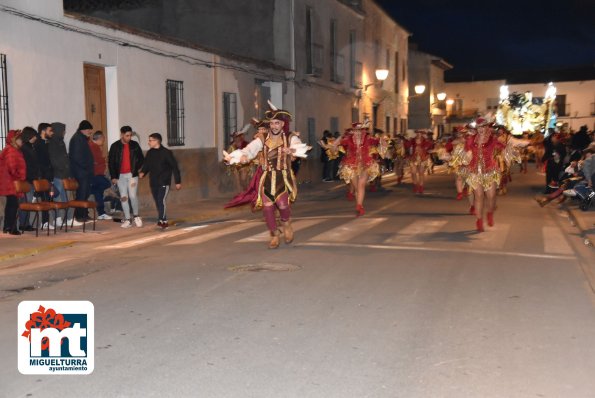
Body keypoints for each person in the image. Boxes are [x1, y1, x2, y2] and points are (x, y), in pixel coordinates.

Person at [223, 100, 310, 249]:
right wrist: (241, 156)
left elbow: (299, 147)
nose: (274, 126)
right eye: (272, 123)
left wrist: (292, 150)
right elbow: (249, 150)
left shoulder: (290, 137)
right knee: (268, 207)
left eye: (277, 123)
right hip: (267, 177)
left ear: (282, 124)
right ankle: (274, 234)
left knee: (283, 205)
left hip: (283, 177)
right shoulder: (262, 139)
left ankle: (286, 223)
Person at [333, 120, 385, 216]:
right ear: (353, 131)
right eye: (356, 130)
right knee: (357, 187)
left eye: (360, 130)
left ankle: (359, 205)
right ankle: (359, 204)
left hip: (365, 164)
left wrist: (382, 142)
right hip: (351, 165)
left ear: (363, 131)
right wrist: (341, 136)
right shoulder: (348, 139)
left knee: (361, 185)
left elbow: (380, 141)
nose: (358, 133)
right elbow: (335, 145)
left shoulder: (368, 138)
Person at [139, 133, 182, 229]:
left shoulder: (166, 152)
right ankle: (162, 219)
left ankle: (163, 220)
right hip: (153, 181)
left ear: (157, 141)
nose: (149, 142)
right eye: (149, 140)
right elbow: (146, 165)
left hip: (163, 181)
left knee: (160, 200)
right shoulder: (150, 153)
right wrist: (143, 172)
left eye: (150, 140)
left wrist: (177, 181)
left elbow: (174, 167)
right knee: (157, 201)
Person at [108, 125, 145, 228]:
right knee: (124, 198)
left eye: (130, 135)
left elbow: (141, 158)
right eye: (127, 135)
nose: (129, 138)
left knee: (133, 196)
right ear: (122, 135)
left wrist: (136, 168)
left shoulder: (135, 145)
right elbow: (111, 162)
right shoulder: (114, 146)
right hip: (120, 176)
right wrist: (113, 176)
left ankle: (136, 216)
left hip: (132, 175)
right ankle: (128, 219)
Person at [48, 122, 82, 227]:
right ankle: (58, 218)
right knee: (58, 198)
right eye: (63, 130)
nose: (64, 132)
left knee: (66, 198)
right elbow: (54, 159)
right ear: (58, 131)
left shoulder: (61, 142)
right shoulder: (52, 143)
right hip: (58, 174)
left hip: (65, 174)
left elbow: (64, 157)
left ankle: (68, 219)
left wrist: (68, 170)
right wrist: (62, 168)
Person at [0, 130, 26, 235]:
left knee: (11, 205)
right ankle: (11, 228)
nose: (22, 141)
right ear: (14, 140)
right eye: (20, 139)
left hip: (10, 181)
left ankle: (8, 227)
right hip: (10, 181)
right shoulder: (11, 151)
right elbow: (12, 167)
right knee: (13, 205)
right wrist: (19, 176)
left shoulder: (12, 150)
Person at [69, 120, 95, 222]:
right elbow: (77, 157)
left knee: (85, 194)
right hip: (81, 172)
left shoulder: (82, 138)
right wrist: (87, 166)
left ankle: (84, 214)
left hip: (85, 172)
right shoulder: (77, 139)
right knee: (81, 194)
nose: (90, 132)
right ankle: (79, 215)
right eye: (89, 130)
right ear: (83, 130)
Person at [18, 127, 41, 231]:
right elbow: (28, 166)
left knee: (28, 203)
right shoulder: (25, 149)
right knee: (25, 203)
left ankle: (26, 224)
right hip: (27, 180)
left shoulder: (30, 147)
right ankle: (23, 224)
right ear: (29, 136)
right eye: (34, 135)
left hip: (31, 179)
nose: (36, 137)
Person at [89, 131, 112, 220]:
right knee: (107, 183)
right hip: (95, 174)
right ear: (100, 138)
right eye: (103, 139)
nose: (104, 141)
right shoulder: (93, 147)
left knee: (98, 192)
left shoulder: (95, 147)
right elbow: (95, 161)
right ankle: (90, 190)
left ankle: (101, 213)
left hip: (98, 174)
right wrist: (103, 160)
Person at [405, 129, 433, 194]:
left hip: (422, 158)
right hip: (413, 158)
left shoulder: (426, 141)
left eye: (420, 133)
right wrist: (407, 140)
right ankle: (415, 185)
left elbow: (429, 147)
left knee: (421, 173)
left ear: (422, 134)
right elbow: (407, 146)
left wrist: (423, 149)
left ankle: (421, 186)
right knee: (413, 172)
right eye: (417, 133)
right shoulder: (412, 140)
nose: (418, 134)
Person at [226, 125, 252, 191]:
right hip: (235, 166)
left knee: (243, 180)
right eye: (234, 137)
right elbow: (228, 156)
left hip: (245, 166)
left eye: (237, 137)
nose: (235, 138)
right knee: (237, 181)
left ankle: (246, 190)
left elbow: (250, 154)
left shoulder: (246, 144)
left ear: (240, 137)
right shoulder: (232, 146)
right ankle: (240, 194)